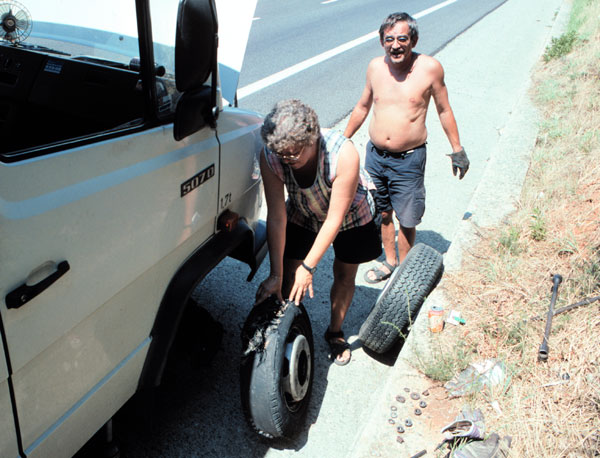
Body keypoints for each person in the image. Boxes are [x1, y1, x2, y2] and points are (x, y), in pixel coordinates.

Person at [344, 12, 470, 284]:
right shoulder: (375, 68)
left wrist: (457, 148)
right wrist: (343, 139)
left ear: (413, 39)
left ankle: (407, 274)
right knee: (383, 212)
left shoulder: (430, 68)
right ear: (381, 42)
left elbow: (444, 109)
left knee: (408, 218)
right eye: (389, 39)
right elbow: (363, 106)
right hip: (375, 157)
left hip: (409, 159)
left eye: (402, 38)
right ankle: (391, 262)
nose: (395, 45)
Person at [255, 99, 381, 366]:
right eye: (282, 154)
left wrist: (309, 267)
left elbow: (334, 219)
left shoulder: (342, 153)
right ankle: (291, 322)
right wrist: (275, 274)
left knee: (344, 274)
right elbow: (277, 216)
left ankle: (335, 332)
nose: (287, 159)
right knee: (289, 270)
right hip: (304, 209)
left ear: (312, 139)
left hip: (350, 215)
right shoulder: (270, 155)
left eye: (294, 153)